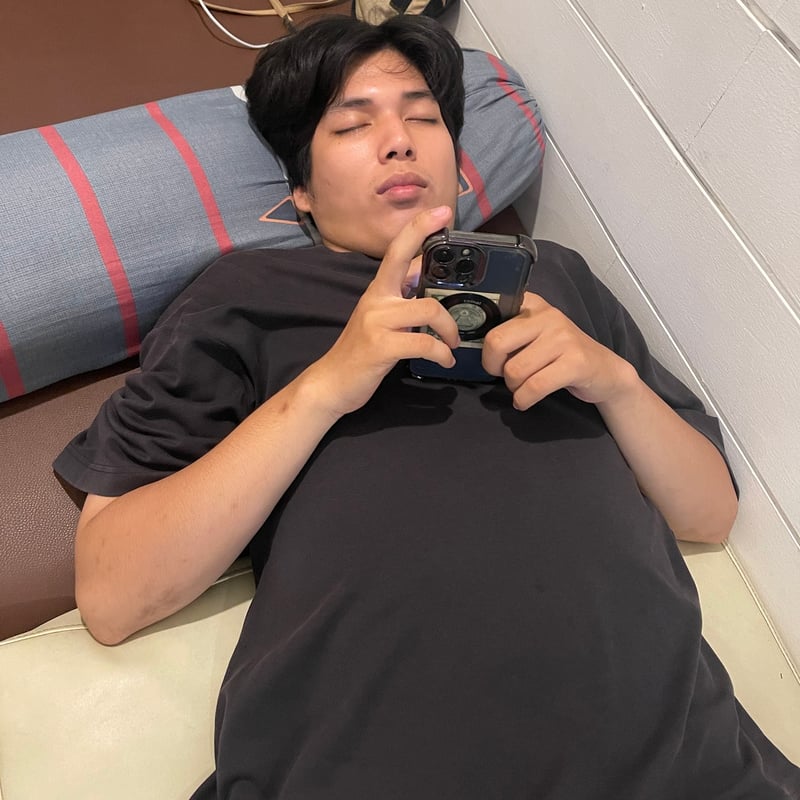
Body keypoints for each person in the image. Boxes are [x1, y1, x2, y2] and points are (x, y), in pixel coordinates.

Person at [53, 13, 799, 799]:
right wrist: (326, 385)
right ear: (301, 192)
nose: (400, 142)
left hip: (689, 771)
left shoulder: (560, 278)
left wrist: (613, 382)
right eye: (353, 125)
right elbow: (112, 593)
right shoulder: (245, 294)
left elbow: (708, 513)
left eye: (425, 118)